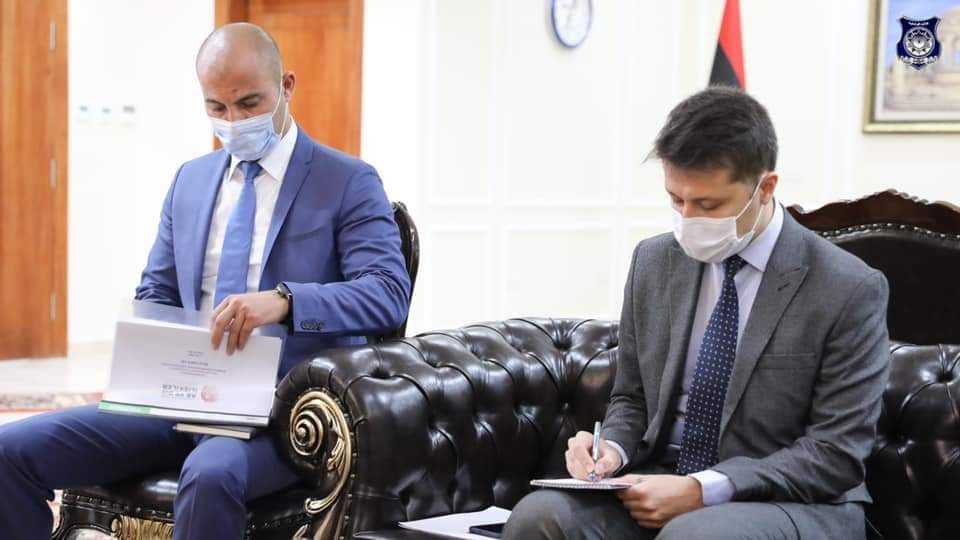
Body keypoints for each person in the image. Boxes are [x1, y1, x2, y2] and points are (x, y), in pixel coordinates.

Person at [0, 23, 410, 539]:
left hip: (284, 410)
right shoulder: (190, 181)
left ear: (286, 86)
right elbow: (158, 293)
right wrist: (146, 353)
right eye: (217, 107)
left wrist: (285, 301)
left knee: (211, 475)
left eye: (249, 103)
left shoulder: (347, 181)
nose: (233, 121)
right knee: (9, 452)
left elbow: (387, 292)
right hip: (182, 397)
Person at [504, 86, 890, 539]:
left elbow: (835, 453)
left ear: (765, 188)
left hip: (791, 503)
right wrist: (612, 450)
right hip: (659, 482)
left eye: (708, 205)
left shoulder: (848, 287)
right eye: (676, 200)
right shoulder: (653, 261)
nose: (688, 219)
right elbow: (632, 398)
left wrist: (702, 490)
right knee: (540, 517)